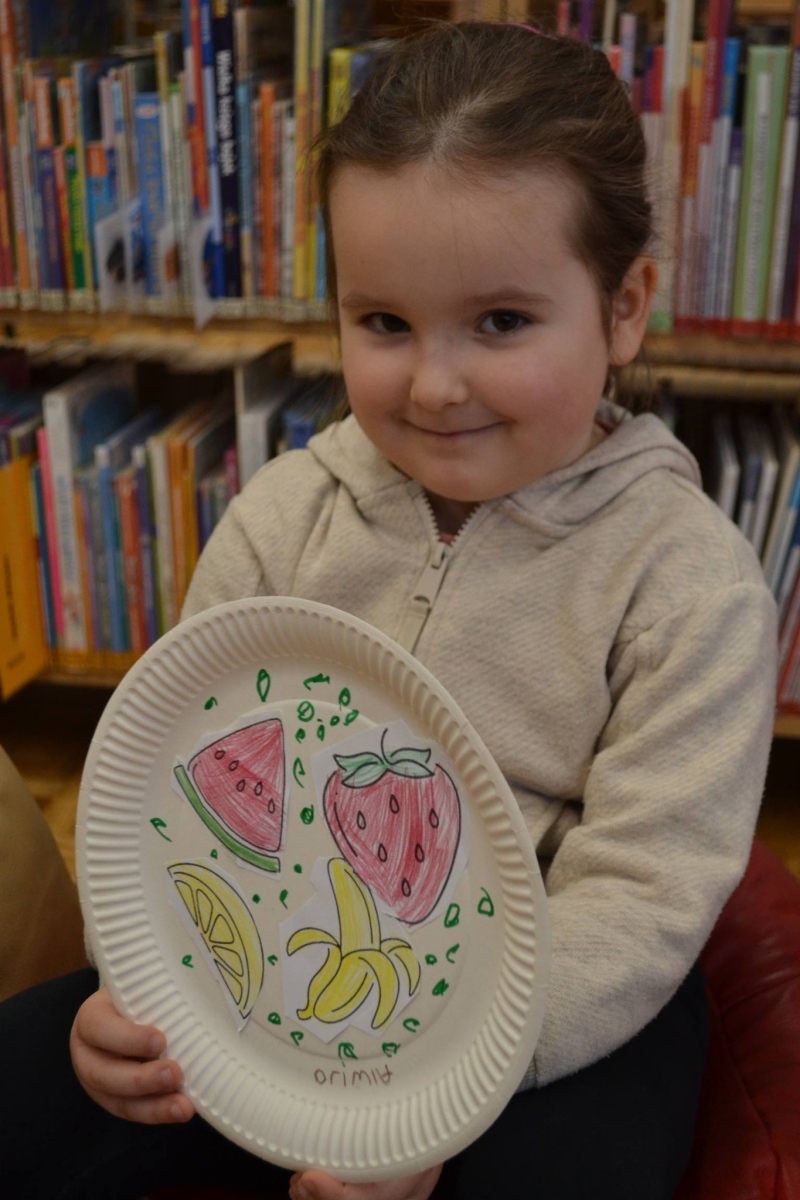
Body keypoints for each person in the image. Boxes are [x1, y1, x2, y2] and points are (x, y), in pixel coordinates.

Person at [1, 19, 779, 1200]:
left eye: (501, 322)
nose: (432, 384)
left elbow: (640, 893)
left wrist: (439, 1089)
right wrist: (135, 989)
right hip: (269, 967)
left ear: (623, 307)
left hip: (544, 1002)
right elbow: (165, 784)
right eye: (383, 323)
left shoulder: (690, 583)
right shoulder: (282, 512)